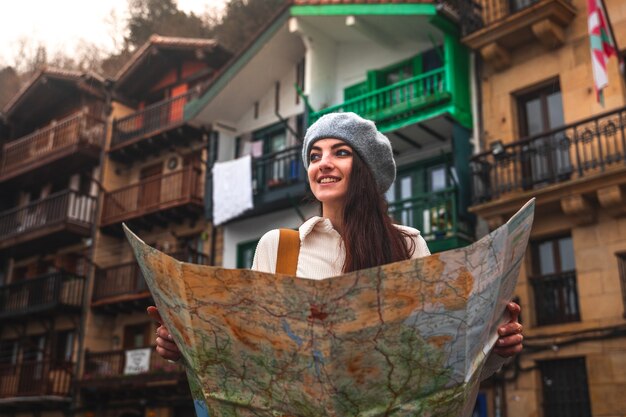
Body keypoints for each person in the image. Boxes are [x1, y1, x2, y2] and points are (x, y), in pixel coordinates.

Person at [148, 112, 523, 366]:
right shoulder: (278, 247)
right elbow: (253, 347)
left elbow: (435, 347)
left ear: (366, 171)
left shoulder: (409, 247)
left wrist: (494, 347)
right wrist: (186, 349)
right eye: (314, 155)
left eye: (340, 152)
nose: (322, 163)